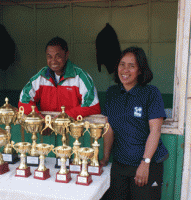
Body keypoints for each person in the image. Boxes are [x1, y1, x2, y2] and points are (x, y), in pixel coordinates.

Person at [100, 47, 169, 200]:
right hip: (120, 164)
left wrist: (145, 163)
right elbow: (109, 128)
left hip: (147, 164)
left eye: (132, 66)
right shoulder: (112, 93)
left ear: (140, 70)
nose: (125, 70)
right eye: (122, 64)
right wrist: (105, 157)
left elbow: (155, 131)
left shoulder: (151, 93)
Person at [18, 36, 101, 119]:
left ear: (66, 55)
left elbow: (93, 105)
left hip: (73, 129)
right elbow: (24, 101)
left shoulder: (80, 77)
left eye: (58, 56)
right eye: (49, 56)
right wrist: (38, 117)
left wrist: (64, 117)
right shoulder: (41, 77)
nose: (53, 61)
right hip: (48, 129)